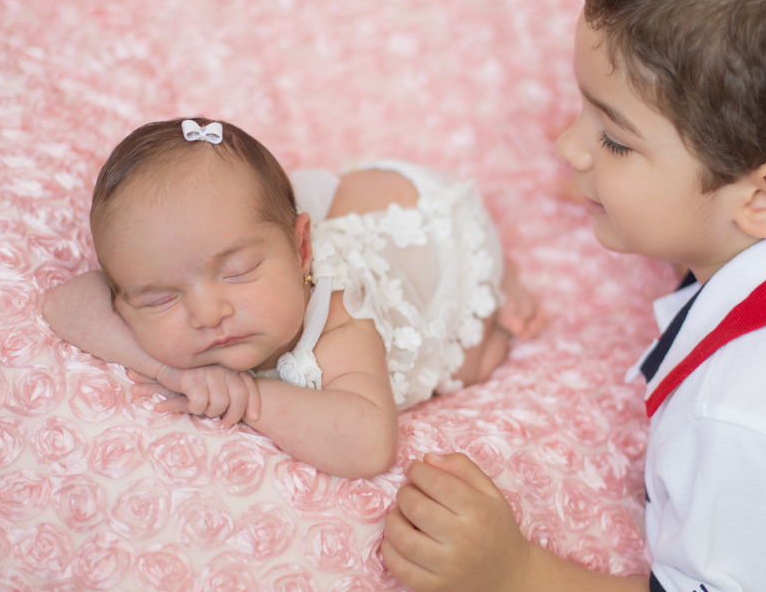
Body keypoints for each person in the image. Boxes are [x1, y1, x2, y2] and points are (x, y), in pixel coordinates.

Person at [380, 0, 766, 592]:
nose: (568, 148)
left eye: (613, 138)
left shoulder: (736, 420)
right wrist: (618, 171)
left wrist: (512, 578)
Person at [43, 117, 541, 479]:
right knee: (273, 210)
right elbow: (64, 304)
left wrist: (250, 395)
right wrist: (174, 371)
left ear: (302, 249)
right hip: (320, 225)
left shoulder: (340, 319)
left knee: (476, 357)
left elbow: (368, 443)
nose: (208, 313)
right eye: (159, 300)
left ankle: (503, 281)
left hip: (434, 243)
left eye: (237, 272)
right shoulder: (191, 268)